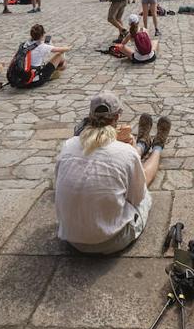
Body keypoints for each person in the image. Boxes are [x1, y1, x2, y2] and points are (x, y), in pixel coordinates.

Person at [54, 92, 171, 254]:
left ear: (90, 116)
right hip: (111, 240)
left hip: (72, 238)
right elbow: (136, 198)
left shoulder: (68, 145)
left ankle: (143, 144)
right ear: (117, 117)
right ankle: (157, 146)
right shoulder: (125, 152)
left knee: (125, 162)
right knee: (142, 187)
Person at [12, 24, 69, 88]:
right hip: (34, 80)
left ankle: (53, 72)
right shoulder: (42, 46)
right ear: (42, 35)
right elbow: (62, 49)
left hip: (22, 79)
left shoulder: (24, 44)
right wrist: (69, 47)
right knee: (59, 56)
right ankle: (54, 72)